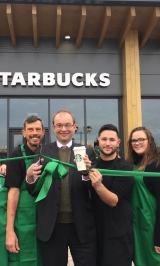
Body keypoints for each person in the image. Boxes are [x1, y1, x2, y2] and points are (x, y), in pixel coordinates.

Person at [26, 109, 97, 266]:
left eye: (67, 125)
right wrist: (30, 177)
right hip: (52, 226)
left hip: (81, 225)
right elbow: (34, 190)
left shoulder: (87, 152)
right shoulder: (42, 151)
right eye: (59, 125)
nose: (63, 129)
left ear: (74, 127)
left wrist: (86, 174)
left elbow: (93, 188)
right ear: (53, 128)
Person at [86, 124, 134, 266]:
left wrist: (98, 185)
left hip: (117, 233)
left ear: (118, 142)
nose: (107, 143)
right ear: (98, 141)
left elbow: (113, 201)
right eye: (104, 139)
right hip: (95, 232)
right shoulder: (93, 164)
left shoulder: (124, 167)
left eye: (112, 140)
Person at [127, 126, 160, 266]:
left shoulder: (158, 166)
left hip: (150, 226)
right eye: (134, 140)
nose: (137, 143)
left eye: (141, 139)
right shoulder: (130, 164)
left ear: (149, 141)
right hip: (134, 224)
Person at [5, 115, 44, 265]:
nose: (34, 133)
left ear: (43, 132)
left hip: (44, 219)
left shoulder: (48, 153)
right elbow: (13, 192)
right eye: (30, 129)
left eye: (38, 129)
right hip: (23, 219)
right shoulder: (16, 156)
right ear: (24, 132)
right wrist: (10, 231)